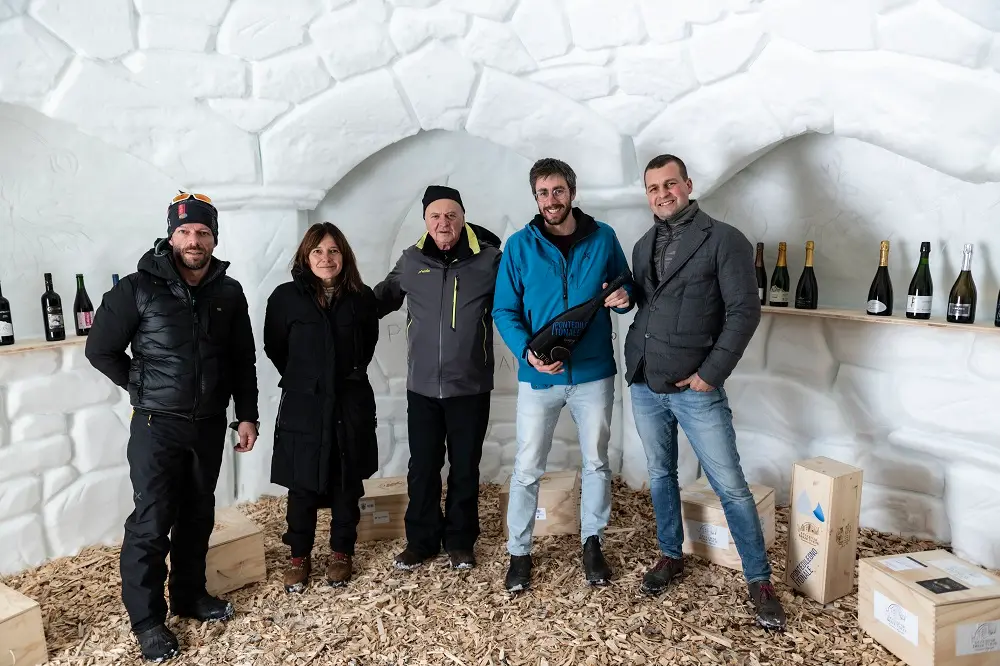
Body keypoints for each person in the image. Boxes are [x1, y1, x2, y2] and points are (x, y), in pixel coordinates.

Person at [85, 192, 259, 662]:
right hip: (156, 426)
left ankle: (189, 595)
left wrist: (247, 414)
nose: (193, 240)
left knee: (198, 514)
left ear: (214, 237)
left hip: (207, 425)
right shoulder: (137, 288)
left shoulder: (229, 291)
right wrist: (142, 389)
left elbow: (243, 358)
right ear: (170, 235)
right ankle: (147, 621)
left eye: (202, 232)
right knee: (152, 521)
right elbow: (99, 350)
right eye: (184, 231)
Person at [624, 154, 786, 630]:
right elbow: (649, 302)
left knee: (731, 487)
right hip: (644, 381)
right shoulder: (642, 244)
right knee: (660, 475)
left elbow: (744, 312)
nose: (662, 194)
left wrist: (711, 373)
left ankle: (759, 580)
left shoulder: (724, 239)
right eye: (653, 188)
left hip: (697, 388)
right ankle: (671, 556)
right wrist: (623, 297)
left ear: (688, 185)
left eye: (669, 184)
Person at [492, 158, 633, 592]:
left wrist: (625, 298)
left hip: (593, 374)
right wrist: (528, 356)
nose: (551, 200)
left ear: (571, 191)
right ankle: (519, 553)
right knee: (527, 467)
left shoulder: (603, 237)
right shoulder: (519, 246)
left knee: (596, 461)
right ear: (535, 198)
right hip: (539, 379)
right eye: (542, 193)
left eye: (557, 191)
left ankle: (593, 543)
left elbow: (624, 289)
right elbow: (504, 310)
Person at [373, 185, 502, 571]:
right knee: (423, 466)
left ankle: (460, 541)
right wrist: (336, 301)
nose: (443, 222)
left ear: (463, 217)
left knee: (465, 466)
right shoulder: (412, 261)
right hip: (423, 387)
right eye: (435, 216)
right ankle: (422, 541)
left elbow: (519, 303)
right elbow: (380, 299)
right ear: (425, 221)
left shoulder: (490, 260)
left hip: (471, 386)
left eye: (451, 215)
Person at [262, 222, 380, 592]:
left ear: (344, 256)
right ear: (305, 256)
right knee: (302, 484)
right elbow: (275, 346)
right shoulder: (285, 298)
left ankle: (341, 552)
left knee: (347, 479)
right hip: (304, 403)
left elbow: (367, 345)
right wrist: (306, 378)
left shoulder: (361, 298)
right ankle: (299, 555)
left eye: (333, 251)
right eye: (317, 251)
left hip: (349, 400)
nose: (325, 258)